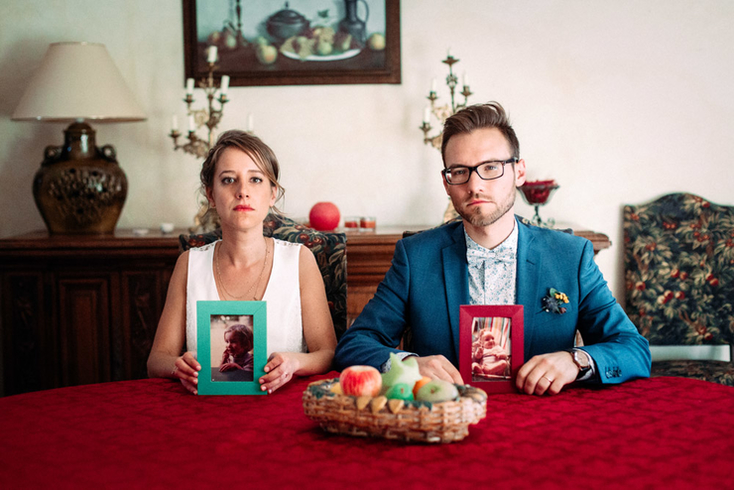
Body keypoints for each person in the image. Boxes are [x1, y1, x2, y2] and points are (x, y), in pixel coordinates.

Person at [334, 102, 651, 395]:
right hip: (447, 418)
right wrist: (409, 364)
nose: (475, 185)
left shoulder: (571, 255)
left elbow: (632, 348)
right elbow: (354, 344)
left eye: (490, 167)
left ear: (519, 172)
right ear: (446, 183)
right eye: (460, 171)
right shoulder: (416, 256)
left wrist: (575, 361)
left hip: (546, 420)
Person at [148, 130, 337, 394]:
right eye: (228, 180)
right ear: (211, 194)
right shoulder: (188, 264)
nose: (242, 192)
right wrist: (178, 367)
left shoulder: (299, 261)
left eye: (255, 179)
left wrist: (295, 363)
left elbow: (327, 353)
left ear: (272, 194)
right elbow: (156, 360)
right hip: (203, 408)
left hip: (282, 408)